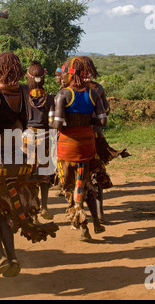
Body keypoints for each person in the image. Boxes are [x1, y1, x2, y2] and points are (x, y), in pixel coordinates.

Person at [0, 52, 58, 278]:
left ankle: (1, 257)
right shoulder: (24, 92)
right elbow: (24, 122)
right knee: (6, 212)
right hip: (19, 161)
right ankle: (12, 258)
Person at [51, 57, 107, 241]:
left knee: (70, 187)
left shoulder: (63, 94)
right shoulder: (93, 93)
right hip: (87, 146)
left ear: (70, 73)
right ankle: (97, 221)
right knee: (86, 183)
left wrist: (50, 122)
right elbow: (102, 120)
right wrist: (86, 121)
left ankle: (83, 228)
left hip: (68, 148)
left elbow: (58, 123)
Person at [80, 56, 130, 227]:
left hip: (76, 137)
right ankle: (100, 212)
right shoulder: (97, 88)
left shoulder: (70, 88)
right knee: (98, 172)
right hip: (96, 136)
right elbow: (106, 110)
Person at [24, 61, 55, 221]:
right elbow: (52, 122)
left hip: (27, 139)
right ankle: (44, 207)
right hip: (45, 139)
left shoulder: (24, 97)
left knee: (30, 175)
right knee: (44, 175)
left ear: (28, 78)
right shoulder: (49, 99)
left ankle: (33, 211)